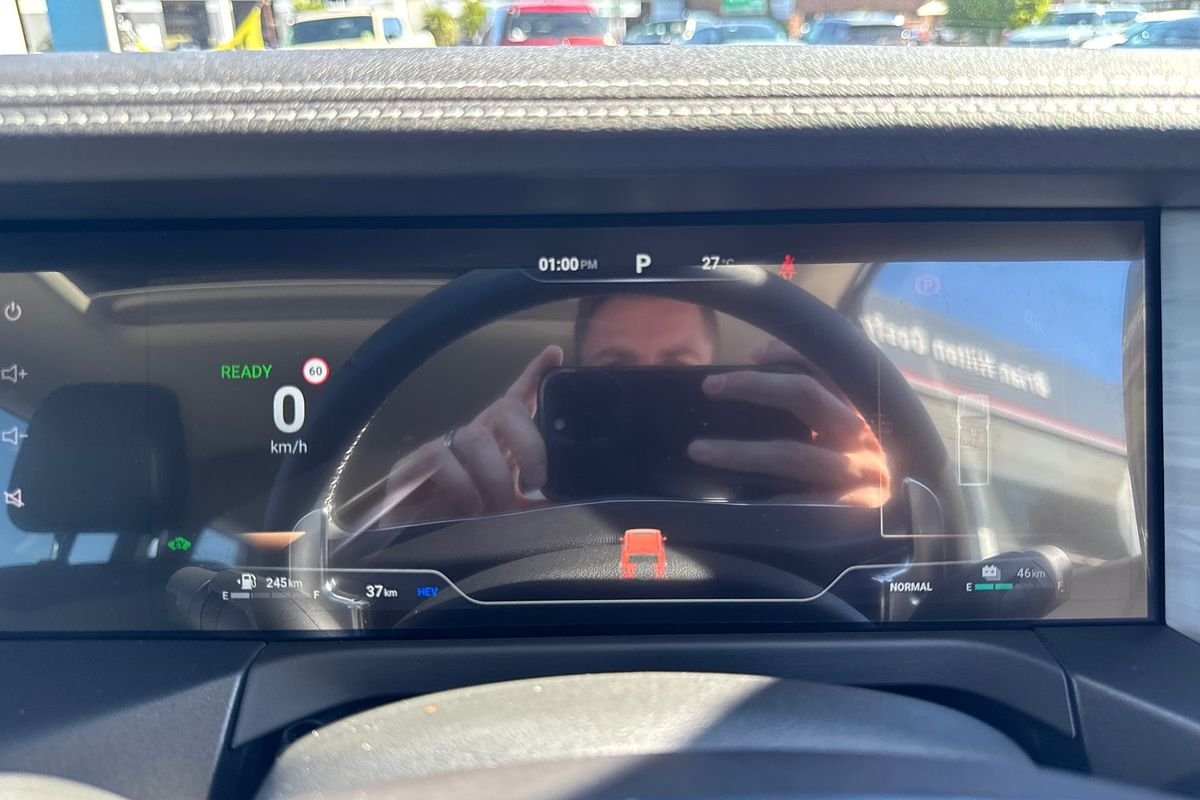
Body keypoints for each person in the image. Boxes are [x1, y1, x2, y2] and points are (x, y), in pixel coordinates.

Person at [381, 295, 889, 526]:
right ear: (576, 378)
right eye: (617, 369)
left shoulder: (788, 499)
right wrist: (409, 534)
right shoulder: (512, 509)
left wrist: (874, 518)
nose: (648, 391)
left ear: (717, 375)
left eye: (676, 369)